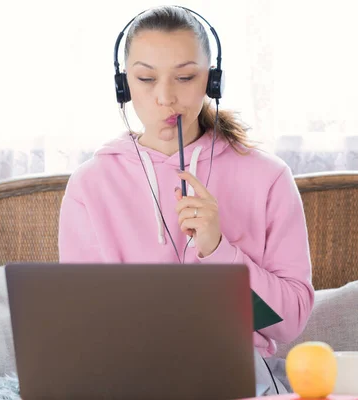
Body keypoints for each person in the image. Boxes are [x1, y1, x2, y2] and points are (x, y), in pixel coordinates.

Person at [58, 5, 314, 395]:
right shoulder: (89, 185)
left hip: (236, 379)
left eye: (185, 77)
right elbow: (80, 327)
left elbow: (289, 321)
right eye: (145, 78)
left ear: (211, 82)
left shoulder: (269, 177)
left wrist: (218, 250)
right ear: (123, 86)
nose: (166, 97)